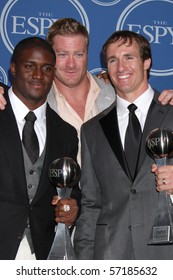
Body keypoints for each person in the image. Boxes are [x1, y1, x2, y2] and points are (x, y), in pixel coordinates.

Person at [1, 18, 173, 223]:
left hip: (115, 222)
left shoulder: (117, 95)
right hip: (52, 225)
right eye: (62, 54)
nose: (71, 63)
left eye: (78, 54)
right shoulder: (33, 100)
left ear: (88, 56)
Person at [74, 30, 173, 260]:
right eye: (112, 60)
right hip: (111, 257)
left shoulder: (171, 114)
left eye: (129, 57)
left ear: (147, 62)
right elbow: (91, 205)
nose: (121, 67)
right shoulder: (92, 130)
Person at [0, 36, 80, 260]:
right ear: (13, 68)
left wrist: (74, 207)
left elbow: (70, 189)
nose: (38, 75)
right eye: (29, 66)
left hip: (42, 251)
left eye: (46, 68)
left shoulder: (66, 133)